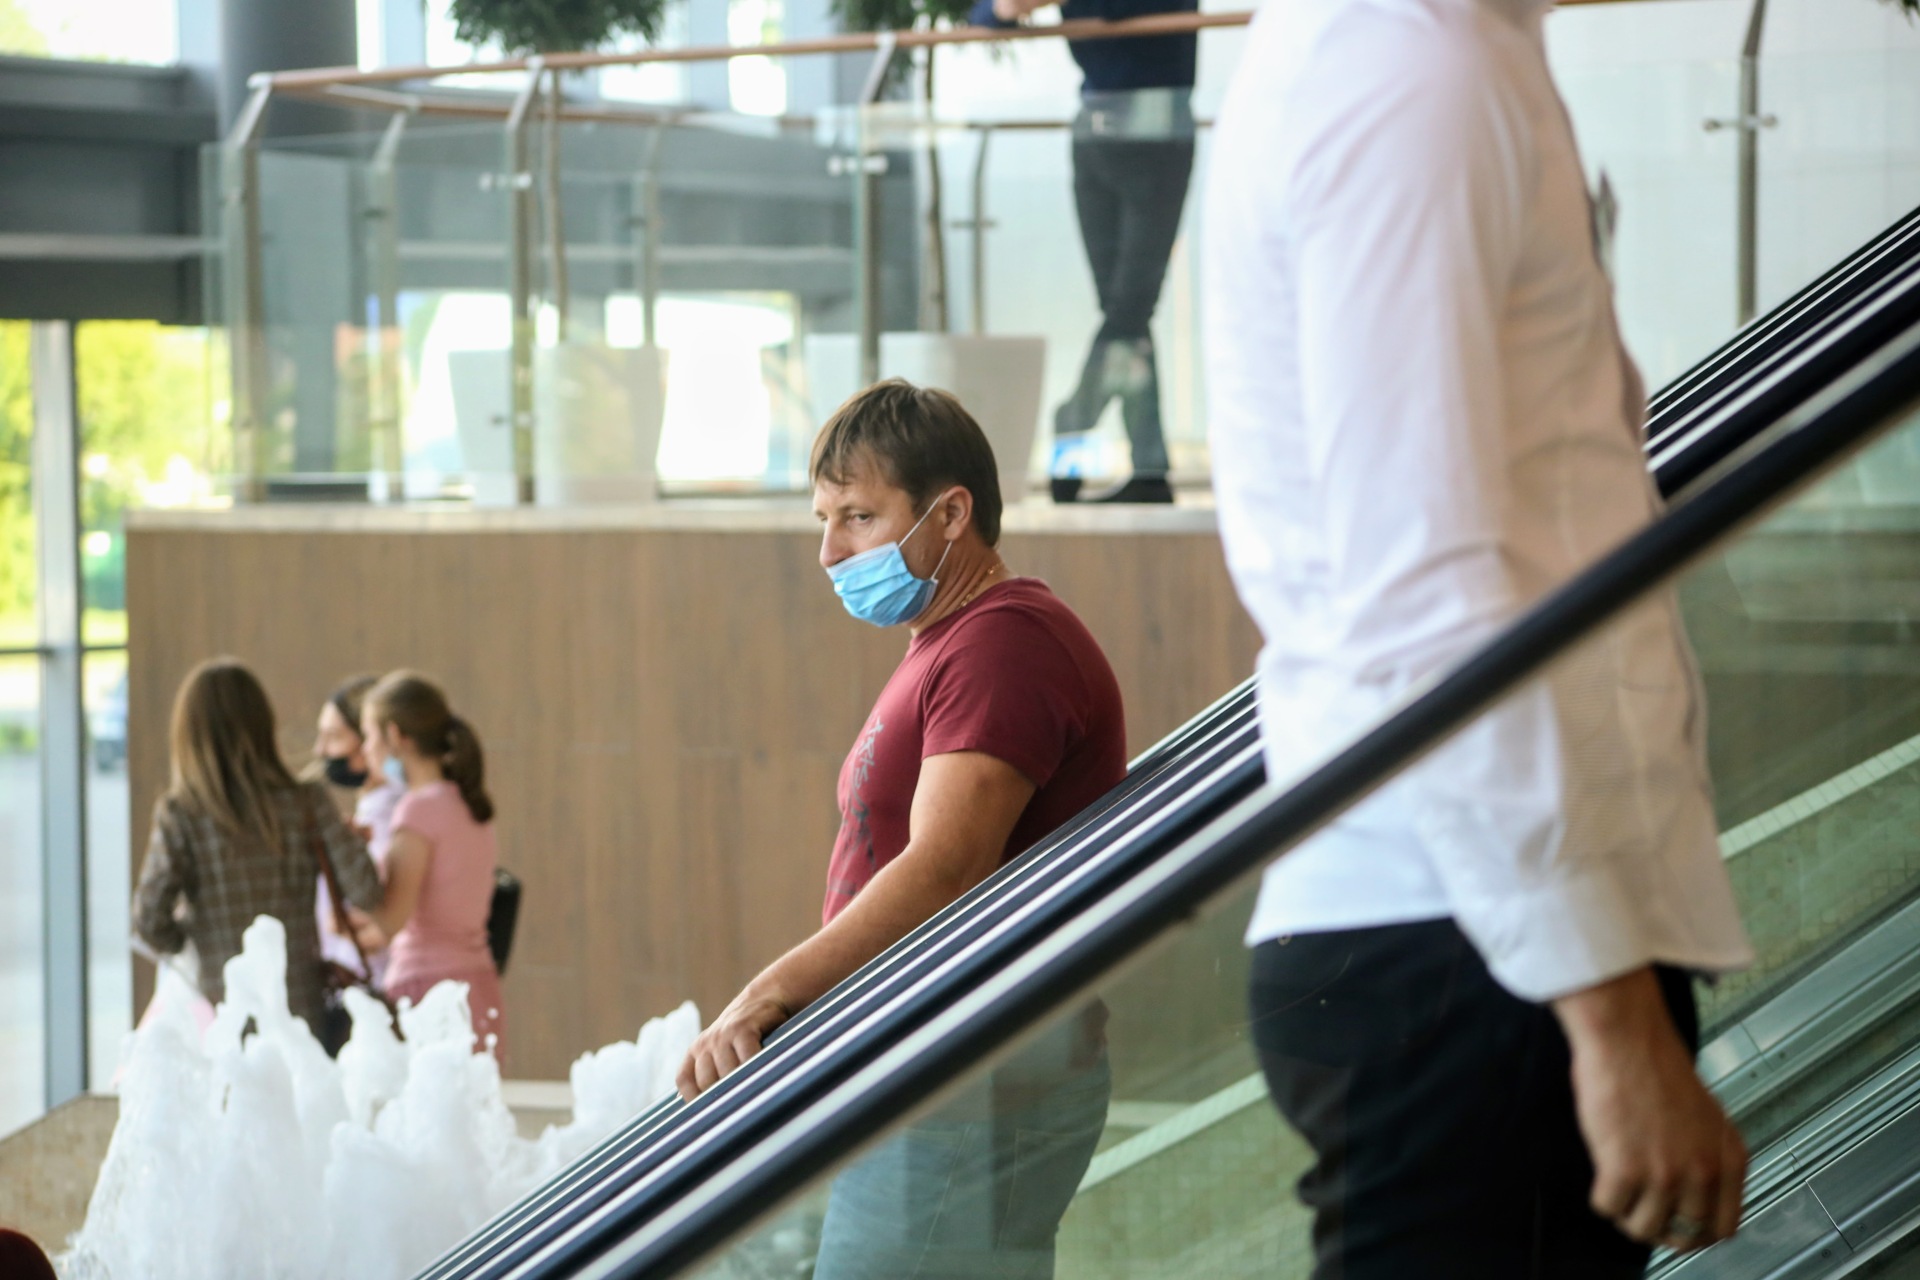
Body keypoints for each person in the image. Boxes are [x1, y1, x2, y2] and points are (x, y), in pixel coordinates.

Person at [1202, 1, 1757, 1275]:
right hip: (1465, 947)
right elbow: (1420, 590)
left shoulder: (1435, 55)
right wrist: (1608, 1018)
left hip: (1477, 935)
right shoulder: (1405, 71)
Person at [676, 379, 1128, 1277]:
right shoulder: (952, 639)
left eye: (858, 517)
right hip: (939, 1073)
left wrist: (765, 995)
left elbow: (946, 868)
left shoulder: (1004, 643)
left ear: (951, 513)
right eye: (824, 520)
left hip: (967, 1080)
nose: (830, 551)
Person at [972, 0, 1196, 505]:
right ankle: (1149, 469)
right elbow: (991, 11)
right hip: (1094, 131)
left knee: (1129, 308)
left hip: (1157, 127)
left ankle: (1075, 422)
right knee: (1123, 311)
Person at [133, 658, 384, 1037]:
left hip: (223, 1016)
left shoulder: (181, 814)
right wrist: (354, 842)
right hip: (302, 1017)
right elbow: (367, 892)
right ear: (262, 724)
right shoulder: (307, 802)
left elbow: (148, 922)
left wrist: (199, 934)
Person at [347, 672, 506, 1061]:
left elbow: (391, 920)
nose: (366, 749)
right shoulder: (470, 805)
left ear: (395, 735)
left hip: (427, 989)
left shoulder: (417, 811)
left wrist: (348, 856)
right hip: (479, 986)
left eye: (369, 735)